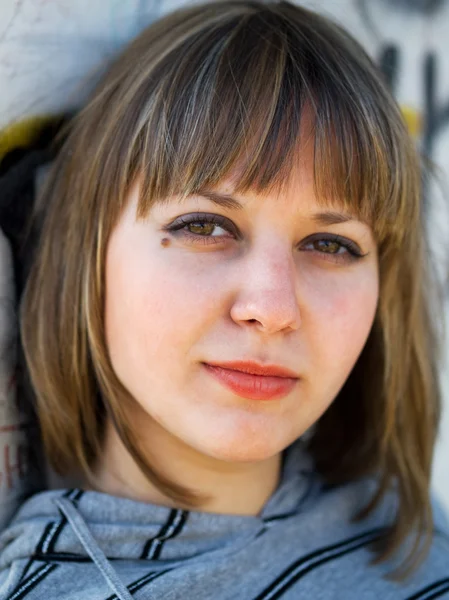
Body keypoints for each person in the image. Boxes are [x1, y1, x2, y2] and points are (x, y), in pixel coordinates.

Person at [0, 0, 448, 598]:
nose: (272, 308)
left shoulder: (409, 529)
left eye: (329, 243)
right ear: (88, 249)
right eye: (205, 227)